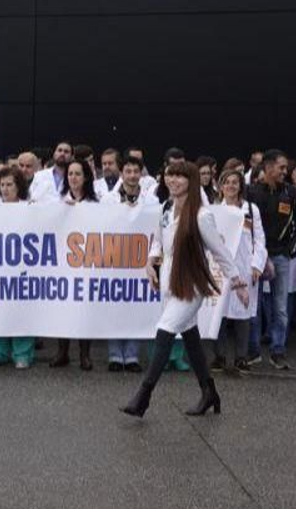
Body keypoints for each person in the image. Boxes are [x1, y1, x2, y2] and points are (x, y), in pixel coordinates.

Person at [120, 160, 249, 418]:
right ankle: (209, 392)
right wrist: (150, 261)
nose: (174, 180)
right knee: (190, 336)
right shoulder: (166, 208)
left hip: (191, 284)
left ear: (191, 181)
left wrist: (237, 282)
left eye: (180, 176)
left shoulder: (201, 215)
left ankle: (143, 396)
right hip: (169, 280)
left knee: (165, 329)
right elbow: (158, 240)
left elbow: (219, 251)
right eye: (170, 175)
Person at [102, 155, 158, 371]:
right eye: (128, 171)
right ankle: (115, 355)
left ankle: (132, 356)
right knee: (114, 307)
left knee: (137, 307)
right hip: (115, 259)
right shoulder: (109, 199)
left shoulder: (151, 201)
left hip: (139, 260)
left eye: (136, 172)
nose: (132, 176)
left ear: (141, 174)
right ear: (121, 173)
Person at [247, 150, 296, 369]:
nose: (285, 171)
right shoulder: (251, 193)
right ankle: (252, 351)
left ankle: (278, 350)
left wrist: (290, 251)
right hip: (256, 257)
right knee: (254, 306)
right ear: (268, 167)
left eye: (285, 168)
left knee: (280, 307)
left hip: (281, 256)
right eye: (281, 167)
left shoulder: (292, 193)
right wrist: (254, 253)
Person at [0, 167, 38, 369]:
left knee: (21, 310)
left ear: (18, 186)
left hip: (22, 269)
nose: (5, 189)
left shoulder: (29, 207)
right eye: (2, 185)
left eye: (10, 185)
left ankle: (22, 353)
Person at [212, 169, 266, 373]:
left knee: (243, 314)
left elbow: (259, 239)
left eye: (235, 182)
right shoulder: (214, 211)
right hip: (221, 268)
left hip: (245, 267)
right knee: (219, 314)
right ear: (221, 186)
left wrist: (257, 265)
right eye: (227, 182)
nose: (231, 186)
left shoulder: (251, 210)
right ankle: (219, 356)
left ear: (241, 186)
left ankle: (241, 357)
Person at [55, 158, 99, 370]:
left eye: (77, 174)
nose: (73, 178)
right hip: (62, 265)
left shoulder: (96, 205)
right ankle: (62, 352)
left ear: (86, 177)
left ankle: (84, 354)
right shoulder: (58, 202)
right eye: (70, 174)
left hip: (86, 264)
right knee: (62, 308)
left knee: (84, 310)